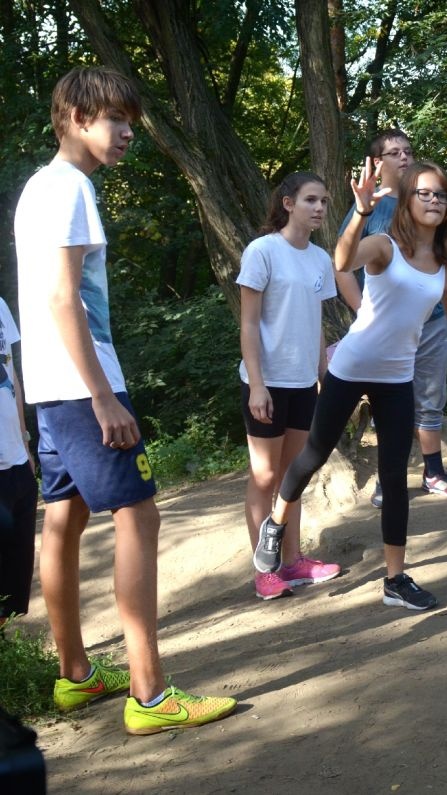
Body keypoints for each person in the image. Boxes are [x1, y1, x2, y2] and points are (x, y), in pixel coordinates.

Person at [13, 67, 235, 733]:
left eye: (130, 121)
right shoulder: (71, 188)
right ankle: (151, 695)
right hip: (82, 387)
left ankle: (76, 675)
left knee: (64, 515)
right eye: (116, 120)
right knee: (139, 516)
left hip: (50, 386)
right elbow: (63, 299)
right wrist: (103, 397)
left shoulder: (39, 187)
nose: (127, 133)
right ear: (78, 117)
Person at [255, 161, 447, 609]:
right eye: (424, 193)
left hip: (397, 378)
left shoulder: (446, 266)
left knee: (394, 478)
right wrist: (360, 211)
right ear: (407, 201)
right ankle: (275, 524)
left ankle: (395, 580)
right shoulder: (384, 246)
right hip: (351, 368)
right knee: (313, 455)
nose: (434, 201)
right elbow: (341, 262)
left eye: (441, 195)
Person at [334, 130, 447, 505]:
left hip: (434, 321)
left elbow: (445, 261)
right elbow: (342, 266)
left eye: (408, 150)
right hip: (386, 332)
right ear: (377, 164)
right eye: (394, 152)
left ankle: (434, 472)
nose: (404, 157)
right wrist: (364, 311)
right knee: (386, 402)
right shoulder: (372, 208)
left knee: (430, 396)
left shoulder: (426, 203)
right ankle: (386, 477)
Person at [238, 172, 342, 600]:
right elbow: (248, 324)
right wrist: (257, 385)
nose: (319, 208)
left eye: (323, 201)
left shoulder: (319, 259)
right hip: (266, 383)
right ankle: (264, 571)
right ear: (287, 204)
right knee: (265, 476)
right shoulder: (262, 251)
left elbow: (316, 322)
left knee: (292, 476)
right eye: (310, 200)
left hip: (303, 383)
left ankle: (294, 560)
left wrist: (323, 376)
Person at [0, 297, 35, 627]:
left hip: (16, 459)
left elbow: (12, 376)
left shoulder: (0, 306)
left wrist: (24, 441)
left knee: (13, 578)